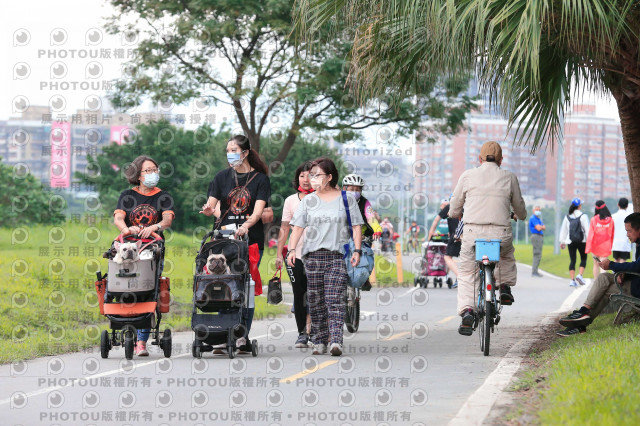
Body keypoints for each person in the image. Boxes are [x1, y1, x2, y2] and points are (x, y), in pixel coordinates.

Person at [200, 135, 271, 353]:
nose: (230, 154)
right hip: (223, 239)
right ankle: (223, 334)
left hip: (249, 240)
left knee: (245, 287)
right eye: (227, 150)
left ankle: (241, 336)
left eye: (234, 150)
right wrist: (209, 210)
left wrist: (246, 226)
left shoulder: (260, 180)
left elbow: (259, 211)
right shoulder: (221, 177)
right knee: (223, 285)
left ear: (245, 152)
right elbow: (212, 204)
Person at [449, 141, 527, 336]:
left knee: (467, 272)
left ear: (479, 159)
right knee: (506, 255)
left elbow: (455, 205)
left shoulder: (467, 176)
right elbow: (519, 207)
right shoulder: (509, 177)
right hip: (501, 234)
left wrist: (455, 213)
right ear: (501, 160)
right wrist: (519, 215)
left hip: (473, 235)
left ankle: (468, 311)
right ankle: (505, 287)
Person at [287, 157, 363, 357]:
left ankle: (336, 340)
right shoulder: (309, 201)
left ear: (329, 177)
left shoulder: (346, 198)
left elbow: (356, 226)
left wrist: (357, 250)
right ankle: (319, 341)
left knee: (334, 299)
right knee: (316, 300)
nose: (312, 179)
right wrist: (291, 250)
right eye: (311, 175)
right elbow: (297, 228)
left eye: (317, 175)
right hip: (312, 258)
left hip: (336, 256)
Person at [113, 155, 175, 356]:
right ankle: (122, 321)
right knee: (121, 284)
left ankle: (141, 341)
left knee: (148, 288)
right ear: (138, 175)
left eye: (155, 169)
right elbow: (119, 217)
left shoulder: (163, 196)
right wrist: (126, 229)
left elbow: (167, 219)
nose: (152, 173)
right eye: (148, 170)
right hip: (130, 246)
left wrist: (154, 227)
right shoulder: (127, 195)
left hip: (152, 247)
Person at [556, 212, 640, 337]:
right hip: (634, 283)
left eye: (629, 231)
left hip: (636, 288)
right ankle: (581, 318)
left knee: (604, 286)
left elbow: (638, 267)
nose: (627, 234)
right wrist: (624, 274)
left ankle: (581, 321)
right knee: (603, 278)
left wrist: (612, 265)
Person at [276, 161, 314, 349]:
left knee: (315, 294)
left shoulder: (324, 198)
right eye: (302, 175)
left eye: (310, 175)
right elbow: (284, 228)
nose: (306, 180)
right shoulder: (290, 201)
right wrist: (278, 253)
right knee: (299, 294)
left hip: (318, 254)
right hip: (295, 254)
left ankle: (314, 330)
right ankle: (302, 334)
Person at [342, 173, 382, 291]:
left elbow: (371, 217)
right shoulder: (338, 200)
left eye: (358, 190)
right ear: (344, 189)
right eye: (351, 189)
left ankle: (365, 278)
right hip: (341, 235)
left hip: (361, 236)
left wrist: (377, 229)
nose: (355, 192)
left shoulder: (365, 203)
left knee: (365, 254)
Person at [427, 194, 461, 288]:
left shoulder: (450, 207)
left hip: (457, 236)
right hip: (468, 235)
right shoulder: (466, 206)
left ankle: (460, 277)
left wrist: (430, 234)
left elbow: (436, 220)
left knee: (447, 257)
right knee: (466, 258)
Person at [559, 198, 590, 287]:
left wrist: (562, 241)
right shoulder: (583, 216)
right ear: (579, 206)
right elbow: (587, 230)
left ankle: (572, 280)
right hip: (582, 241)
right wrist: (589, 241)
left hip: (570, 241)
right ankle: (580, 275)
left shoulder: (567, 216)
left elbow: (564, 230)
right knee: (583, 258)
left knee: (573, 260)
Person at [585, 200, 615, 280]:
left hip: (595, 245)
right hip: (605, 244)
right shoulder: (610, 220)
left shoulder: (593, 219)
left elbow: (591, 234)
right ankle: (603, 284)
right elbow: (611, 234)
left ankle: (596, 283)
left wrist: (588, 247)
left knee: (596, 264)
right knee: (603, 265)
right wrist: (610, 245)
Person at [611, 197, 633, 263]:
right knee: (623, 261)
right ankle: (621, 273)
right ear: (627, 206)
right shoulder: (629, 217)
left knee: (616, 260)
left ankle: (615, 273)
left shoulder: (613, 216)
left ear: (618, 204)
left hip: (615, 242)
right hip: (625, 242)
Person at [528, 205, 546, 277]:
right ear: (533, 210)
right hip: (536, 236)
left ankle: (536, 271)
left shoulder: (538, 219)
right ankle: (534, 272)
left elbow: (544, 227)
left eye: (539, 210)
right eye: (537, 209)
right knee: (537, 254)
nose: (538, 211)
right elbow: (538, 228)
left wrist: (541, 227)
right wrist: (541, 227)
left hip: (539, 236)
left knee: (539, 255)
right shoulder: (533, 218)